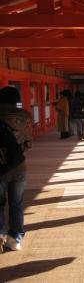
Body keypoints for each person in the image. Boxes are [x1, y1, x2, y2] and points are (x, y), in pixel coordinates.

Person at [0, 87, 32, 252]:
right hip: (19, 165)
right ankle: (15, 239)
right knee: (16, 203)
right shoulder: (24, 116)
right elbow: (28, 143)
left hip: (0, 167)